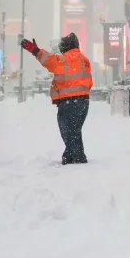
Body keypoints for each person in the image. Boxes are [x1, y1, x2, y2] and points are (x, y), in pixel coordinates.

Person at [21, 33, 93, 165]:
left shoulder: (67, 58)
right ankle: (71, 156)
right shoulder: (84, 59)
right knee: (74, 131)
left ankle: (77, 158)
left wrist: (36, 51)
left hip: (70, 101)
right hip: (83, 102)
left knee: (68, 131)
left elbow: (51, 61)